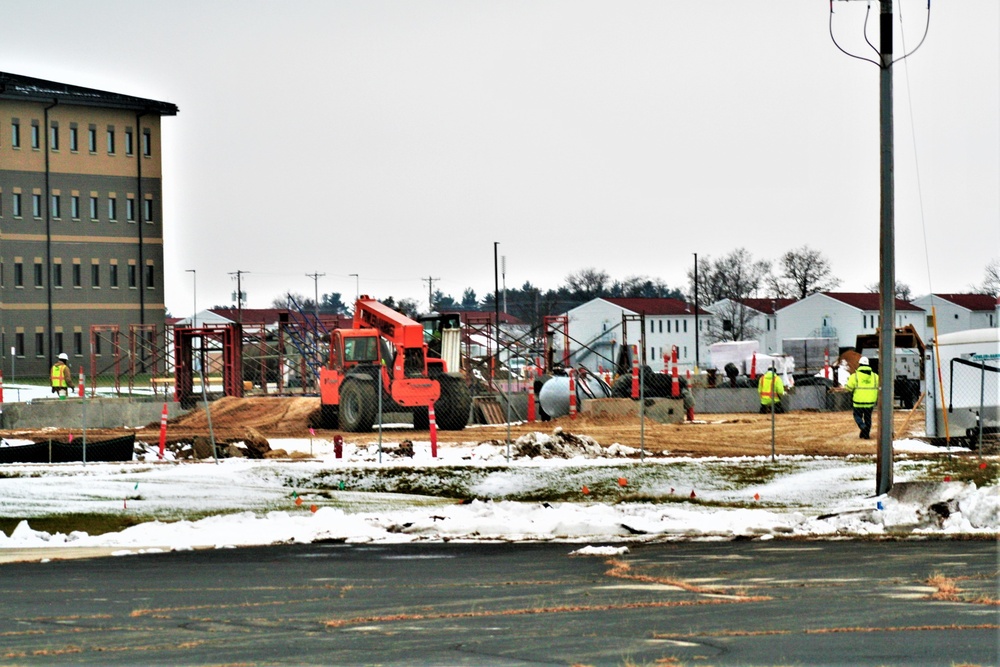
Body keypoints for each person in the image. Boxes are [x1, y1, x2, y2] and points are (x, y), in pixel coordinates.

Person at [846, 356, 879, 439]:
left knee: (857, 415)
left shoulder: (855, 376)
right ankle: (866, 434)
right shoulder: (875, 376)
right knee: (868, 417)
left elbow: (849, 388)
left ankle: (862, 425)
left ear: (859, 364)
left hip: (858, 402)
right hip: (870, 402)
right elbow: (879, 386)